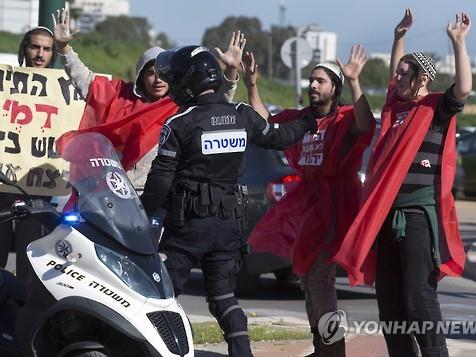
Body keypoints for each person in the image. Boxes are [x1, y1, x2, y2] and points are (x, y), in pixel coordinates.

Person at [140, 45, 318, 357]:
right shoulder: (240, 115)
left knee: (160, 295)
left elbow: (160, 180)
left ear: (188, 82)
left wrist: (142, 215)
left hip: (188, 226)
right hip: (229, 225)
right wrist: (311, 120)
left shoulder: (180, 122)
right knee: (223, 297)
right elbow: (279, 136)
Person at [332, 9, 472, 357]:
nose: (396, 79)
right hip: (386, 216)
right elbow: (399, 70)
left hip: (417, 215)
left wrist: (458, 43)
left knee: (418, 299)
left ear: (422, 78)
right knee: (390, 303)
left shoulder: (436, 107)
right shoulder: (396, 108)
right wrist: (398, 38)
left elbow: (465, 88)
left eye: (403, 74)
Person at [244, 45, 374, 356]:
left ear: (335, 87)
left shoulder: (344, 118)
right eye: (311, 80)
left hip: (336, 204)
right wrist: (251, 84)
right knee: (308, 279)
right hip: (308, 203)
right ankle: (323, 344)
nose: (313, 85)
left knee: (319, 278)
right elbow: (266, 125)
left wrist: (355, 80)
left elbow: (367, 123)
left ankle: (332, 349)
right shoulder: (302, 118)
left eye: (321, 81)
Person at [52, 6, 245, 197]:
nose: (158, 80)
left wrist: (231, 70)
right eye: (151, 74)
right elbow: (83, 78)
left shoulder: (183, 106)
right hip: (115, 194)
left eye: (163, 74)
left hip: (159, 198)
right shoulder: (118, 96)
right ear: (141, 77)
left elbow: (217, 103)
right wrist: (64, 48)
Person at [1, 26, 57, 268]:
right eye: (35, 47)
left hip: (39, 181)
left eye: (47, 49)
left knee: (32, 246)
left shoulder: (61, 90)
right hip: (4, 177)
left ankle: (26, 301)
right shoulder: (5, 82)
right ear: (24, 49)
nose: (40, 54)